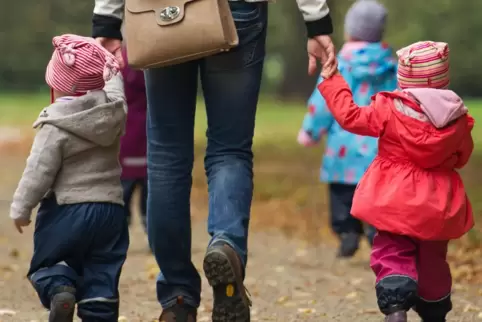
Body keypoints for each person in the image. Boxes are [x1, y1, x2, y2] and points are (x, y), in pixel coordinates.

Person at [92, 0, 338, 321]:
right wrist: (316, 20)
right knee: (230, 149)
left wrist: (107, 20)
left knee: (166, 154)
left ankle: (178, 296)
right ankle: (227, 245)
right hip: (238, 11)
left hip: (161, 11)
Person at [317, 41, 474, 322]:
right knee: (433, 258)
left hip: (394, 197)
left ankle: (396, 307)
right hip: (437, 203)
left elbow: (350, 116)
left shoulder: (389, 108)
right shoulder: (457, 118)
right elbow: (463, 156)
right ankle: (434, 311)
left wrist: (332, 80)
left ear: (403, 78)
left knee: (391, 249)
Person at [10, 34, 129, 321]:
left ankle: (60, 289)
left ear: (57, 84)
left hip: (67, 210)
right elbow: (118, 93)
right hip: (111, 212)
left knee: (49, 264)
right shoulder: (114, 113)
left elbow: (38, 170)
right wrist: (110, 65)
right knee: (102, 274)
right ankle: (98, 311)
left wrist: (21, 207)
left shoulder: (56, 124)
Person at [297, 0, 397, 257]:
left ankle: (347, 232)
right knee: (377, 193)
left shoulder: (338, 63)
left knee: (342, 192)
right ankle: (377, 232)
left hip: (344, 147)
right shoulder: (392, 64)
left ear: (350, 31)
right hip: (380, 146)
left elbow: (323, 102)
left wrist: (310, 131)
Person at [119, 47, 148, 232]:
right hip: (150, 133)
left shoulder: (120, 61)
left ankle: (119, 231)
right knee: (151, 195)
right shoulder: (152, 58)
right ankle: (155, 233)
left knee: (122, 194)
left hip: (125, 136)